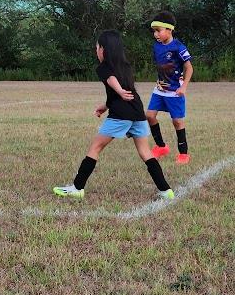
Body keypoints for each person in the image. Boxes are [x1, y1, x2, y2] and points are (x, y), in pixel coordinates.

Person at [53, 30, 174, 200]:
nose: (96, 50)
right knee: (146, 152)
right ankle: (165, 190)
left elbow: (111, 80)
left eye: (97, 47)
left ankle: (77, 188)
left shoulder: (103, 67)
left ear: (103, 49)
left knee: (95, 148)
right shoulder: (125, 66)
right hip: (137, 112)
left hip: (121, 114)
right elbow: (118, 90)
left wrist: (119, 91)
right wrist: (106, 105)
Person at [146, 11, 193, 164]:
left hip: (174, 92)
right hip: (160, 90)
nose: (156, 34)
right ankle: (161, 147)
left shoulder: (179, 47)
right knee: (150, 116)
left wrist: (184, 87)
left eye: (158, 30)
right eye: (154, 31)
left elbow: (189, 68)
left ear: (169, 30)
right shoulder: (156, 46)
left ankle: (184, 154)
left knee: (177, 122)